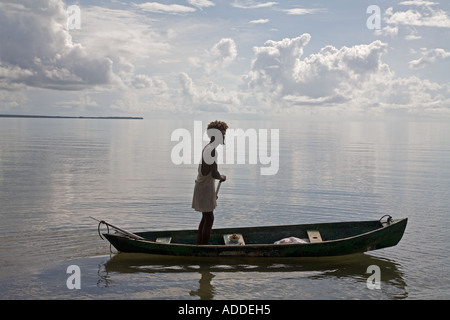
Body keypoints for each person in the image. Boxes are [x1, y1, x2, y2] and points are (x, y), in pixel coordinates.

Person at [192, 120, 228, 245]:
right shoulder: (212, 150)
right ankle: (203, 246)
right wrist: (221, 177)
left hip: (203, 186)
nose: (224, 136)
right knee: (209, 218)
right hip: (205, 188)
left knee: (206, 217)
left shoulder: (208, 148)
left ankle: (199, 244)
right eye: (222, 134)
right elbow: (214, 173)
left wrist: (218, 176)